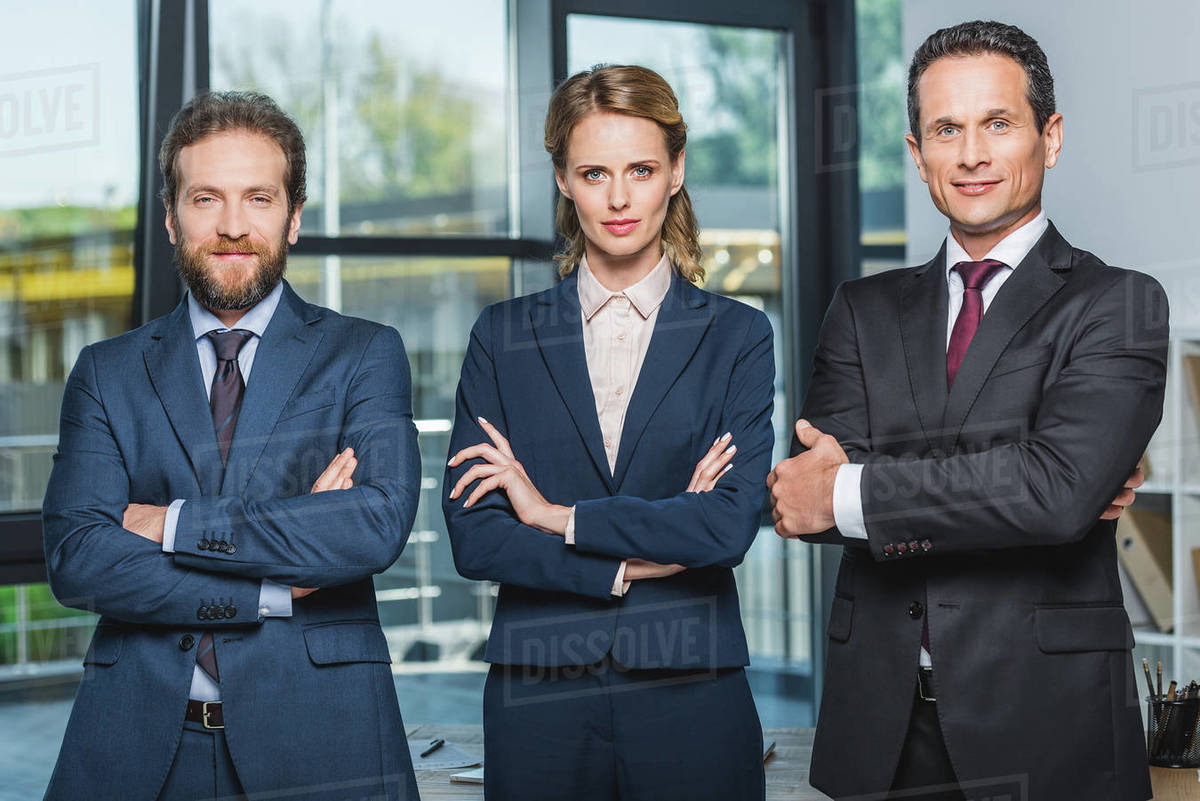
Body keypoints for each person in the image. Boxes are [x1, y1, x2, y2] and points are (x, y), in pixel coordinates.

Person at [768, 20, 1164, 801]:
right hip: (878, 733)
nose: (972, 154)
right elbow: (799, 500)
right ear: (917, 155)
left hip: (1049, 726)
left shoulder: (1119, 303)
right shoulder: (860, 309)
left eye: (998, 123)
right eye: (946, 129)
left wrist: (856, 488)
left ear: (1049, 137)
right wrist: (1016, 468)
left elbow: (1053, 495)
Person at [41, 91, 422, 801]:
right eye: (206, 198)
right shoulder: (106, 370)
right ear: (169, 214)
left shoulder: (366, 353)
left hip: (324, 737)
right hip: (137, 743)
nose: (233, 226)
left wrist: (168, 522)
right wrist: (275, 584)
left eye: (259, 198)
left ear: (295, 216)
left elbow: (372, 524)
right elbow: (79, 559)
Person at [442, 64, 774, 801]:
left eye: (642, 170)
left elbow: (725, 526)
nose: (619, 198)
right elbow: (477, 536)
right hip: (539, 693)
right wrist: (631, 562)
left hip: (695, 682)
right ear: (563, 178)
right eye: (594, 172)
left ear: (676, 171)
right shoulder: (501, 336)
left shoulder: (739, 336)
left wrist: (553, 515)